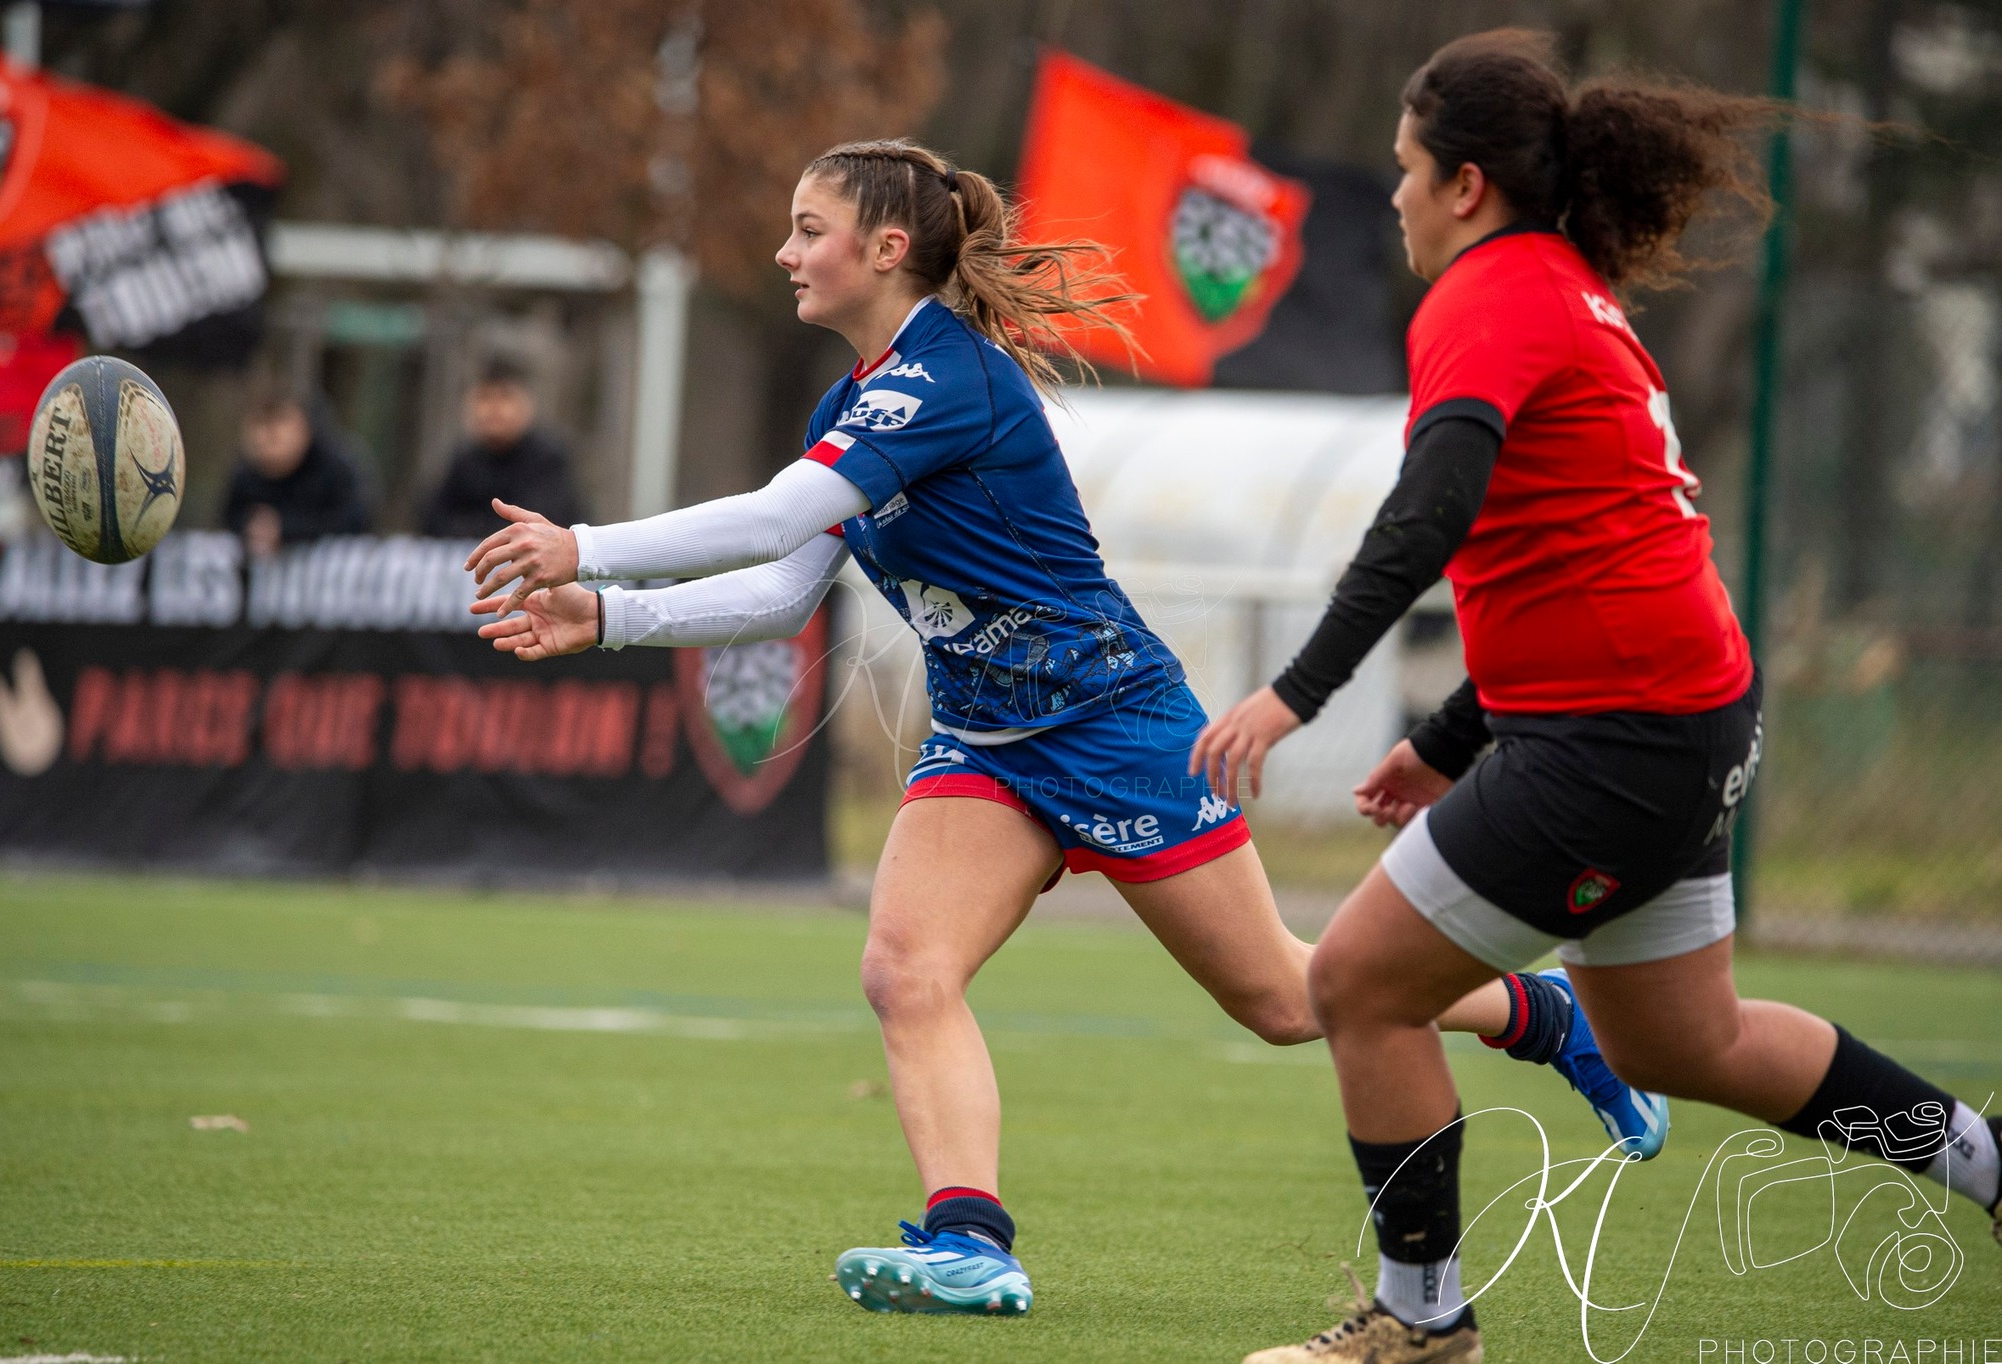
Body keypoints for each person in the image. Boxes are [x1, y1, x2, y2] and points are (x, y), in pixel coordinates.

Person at [459, 138, 1667, 1320]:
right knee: (903, 969)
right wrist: (607, 615)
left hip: (1115, 724)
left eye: (807, 230)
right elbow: (785, 588)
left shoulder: (945, 376)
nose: (784, 252)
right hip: (987, 742)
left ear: (886, 249)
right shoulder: (859, 395)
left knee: (1292, 1000)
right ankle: (972, 1242)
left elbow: (779, 519)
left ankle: (1545, 1014)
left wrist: (586, 546)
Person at [1198, 33, 2002, 1364]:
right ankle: (1986, 1161)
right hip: (1685, 718)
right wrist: (1447, 736)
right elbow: (1568, 556)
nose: (1391, 196)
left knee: (1356, 987)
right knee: (1687, 1038)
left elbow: (1435, 512)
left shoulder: (1483, 296)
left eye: (1404, 170)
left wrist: (1294, 694)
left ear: (1465, 185)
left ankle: (1419, 1322)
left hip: (1617, 744)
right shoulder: (1565, 288)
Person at [419, 357, 585, 539]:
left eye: (505, 397)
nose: (493, 409)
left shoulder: (547, 459)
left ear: (525, 405)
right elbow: (432, 519)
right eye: (484, 398)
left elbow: (543, 522)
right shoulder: (464, 460)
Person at [220, 387, 370, 555]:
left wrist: (286, 529)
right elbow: (230, 517)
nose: (266, 446)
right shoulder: (246, 476)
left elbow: (354, 519)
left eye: (275, 437)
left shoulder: (335, 468)